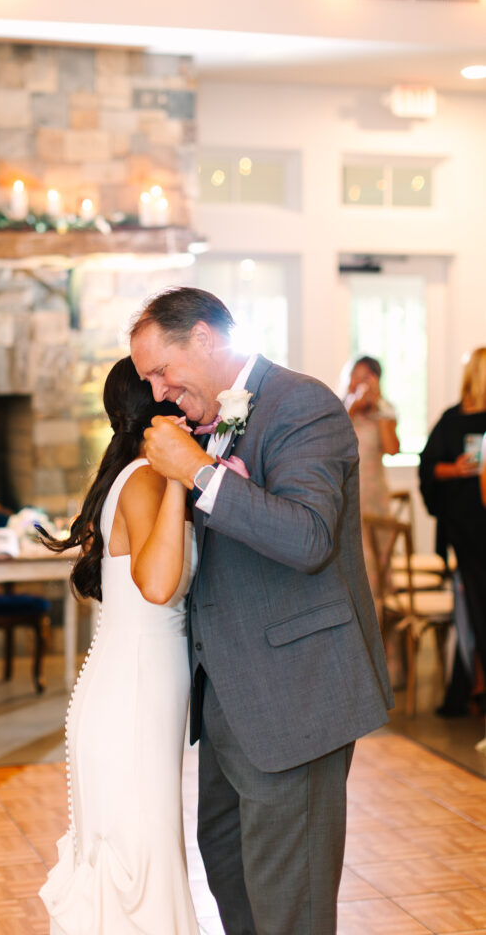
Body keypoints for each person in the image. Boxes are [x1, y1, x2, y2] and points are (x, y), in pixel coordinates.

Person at [129, 287, 393, 935]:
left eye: (161, 370)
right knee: (228, 867)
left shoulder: (300, 403)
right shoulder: (216, 416)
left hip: (293, 696)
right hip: (228, 695)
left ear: (205, 337)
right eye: (147, 381)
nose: (158, 391)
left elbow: (306, 538)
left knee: (289, 908)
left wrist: (196, 471)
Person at [39, 357, 200, 934]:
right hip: (134, 692)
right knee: (141, 859)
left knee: (141, 853)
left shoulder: (128, 473)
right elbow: (157, 586)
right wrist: (184, 476)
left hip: (130, 684)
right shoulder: (148, 479)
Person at [419, 348, 486, 726]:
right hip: (466, 529)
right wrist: (457, 469)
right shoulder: (452, 419)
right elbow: (428, 470)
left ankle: (471, 687)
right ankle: (470, 687)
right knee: (473, 608)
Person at [343, 355, 402, 682]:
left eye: (368, 378)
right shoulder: (341, 409)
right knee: (361, 583)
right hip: (351, 508)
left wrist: (378, 406)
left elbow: (393, 448)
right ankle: (359, 667)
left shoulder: (385, 411)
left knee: (382, 582)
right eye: (357, 376)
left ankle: (386, 667)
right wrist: (353, 403)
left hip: (378, 507)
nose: (362, 383)